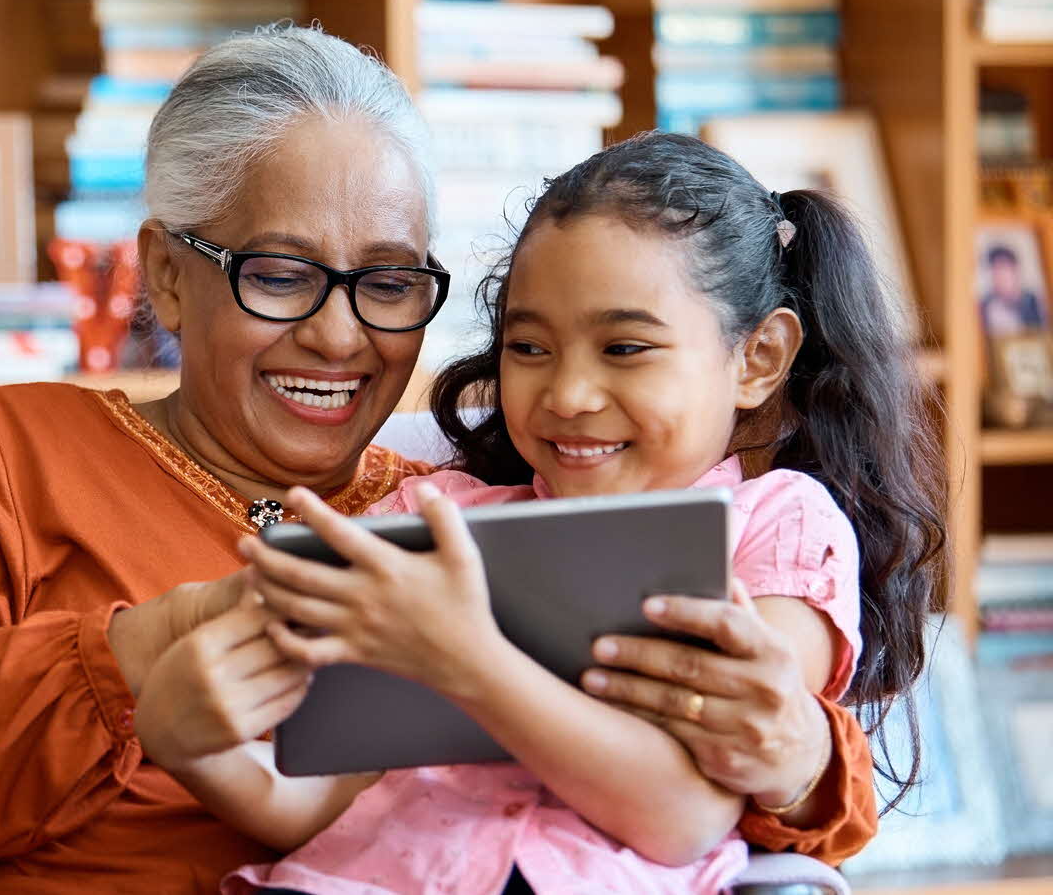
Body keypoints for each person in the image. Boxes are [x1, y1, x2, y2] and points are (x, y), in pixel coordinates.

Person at [0, 29, 882, 894]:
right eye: (282, 274)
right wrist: (140, 657)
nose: (340, 336)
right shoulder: (16, 447)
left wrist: (801, 759)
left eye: (389, 282)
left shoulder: (461, 522)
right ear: (166, 278)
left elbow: (728, 789)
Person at [204, 133, 946, 894]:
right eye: (529, 347)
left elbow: (681, 811)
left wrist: (468, 662)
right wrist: (186, 738)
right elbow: (326, 798)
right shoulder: (435, 515)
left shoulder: (777, 525)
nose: (566, 396)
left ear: (756, 359)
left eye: (624, 348)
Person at [979, 244, 1048, 337]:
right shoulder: (986, 305)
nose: (999, 276)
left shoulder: (1032, 301)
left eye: (1003, 269)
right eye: (995, 271)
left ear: (1015, 271)